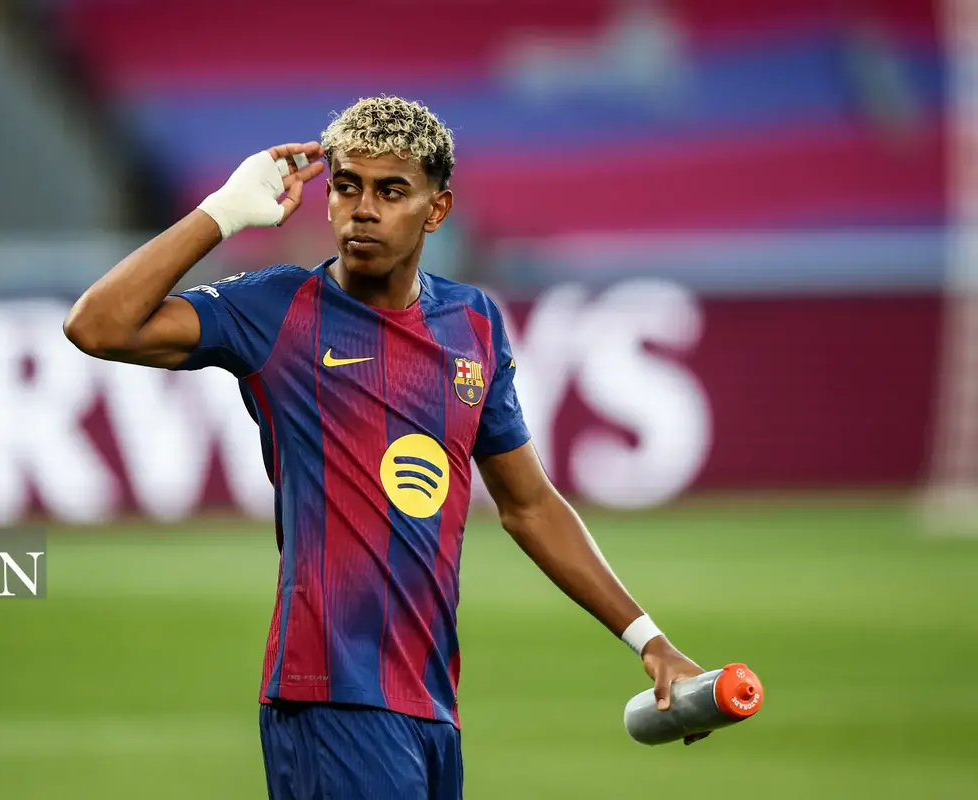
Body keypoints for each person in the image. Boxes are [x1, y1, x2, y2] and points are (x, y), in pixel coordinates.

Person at [63, 95, 708, 800]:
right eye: (347, 187)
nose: (362, 210)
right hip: (329, 696)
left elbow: (530, 506)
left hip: (430, 703)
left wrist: (649, 640)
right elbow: (98, 325)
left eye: (391, 191)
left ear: (437, 210)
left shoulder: (473, 323)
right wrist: (221, 212)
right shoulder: (277, 309)